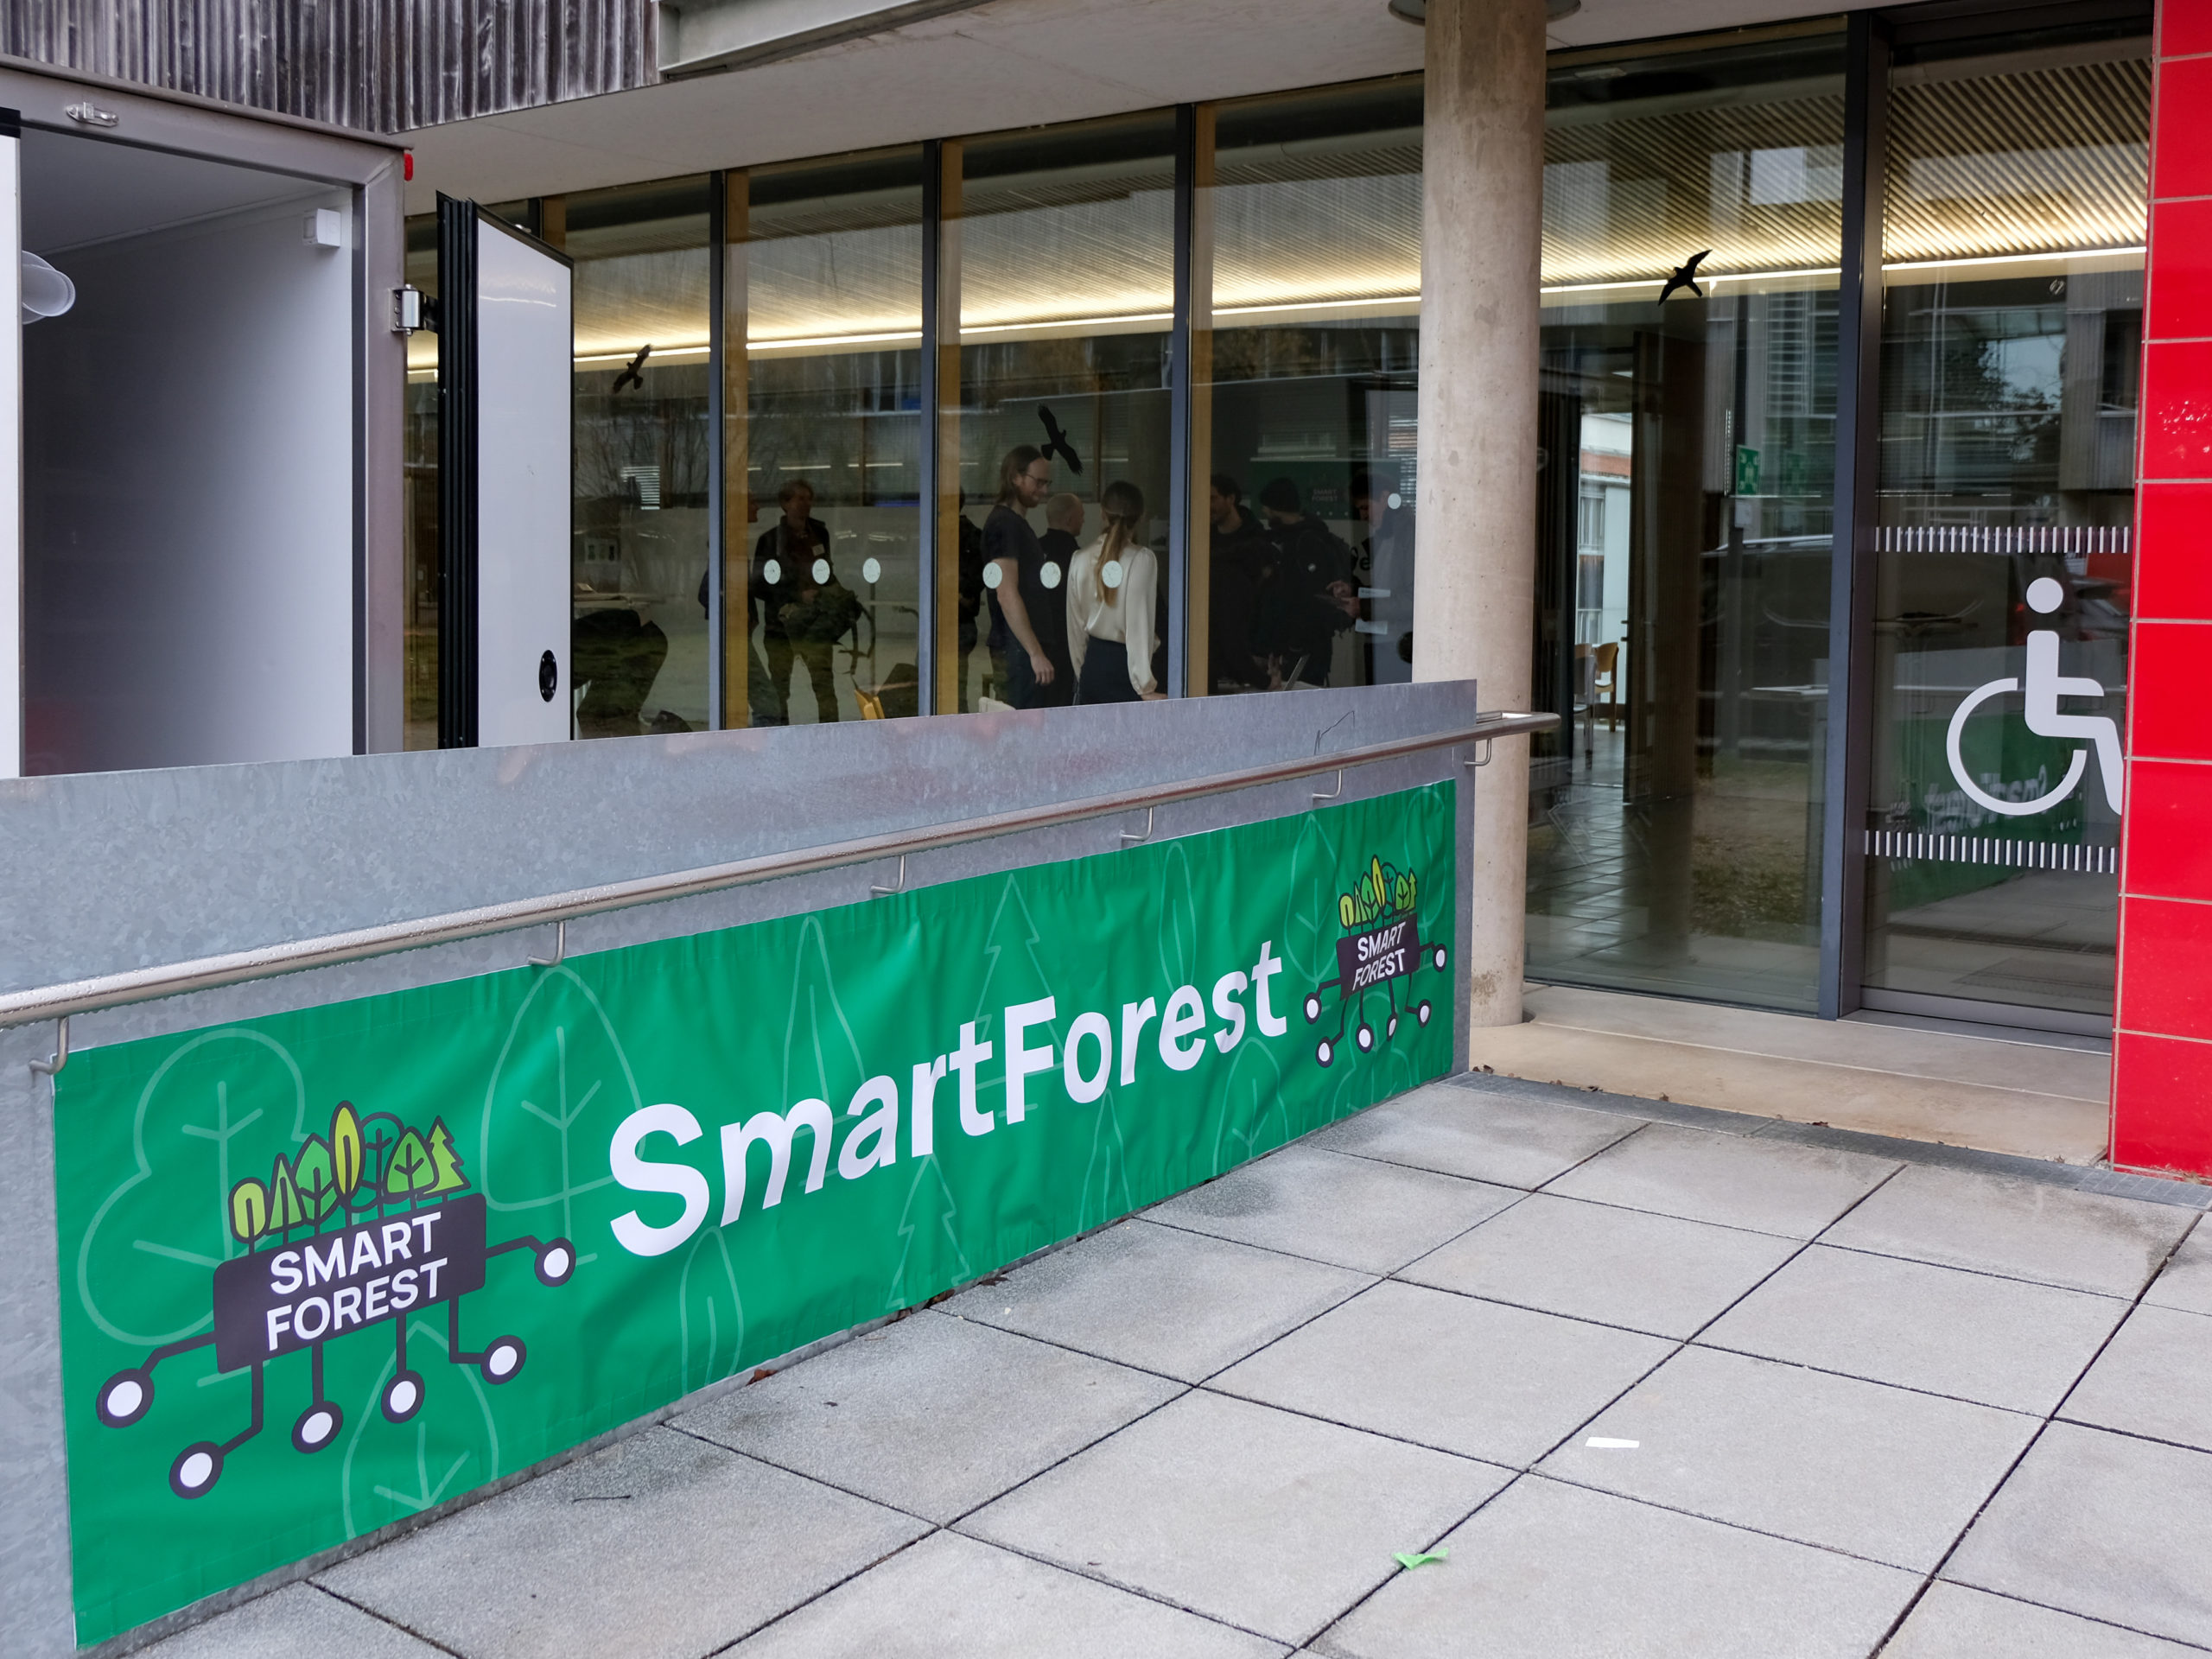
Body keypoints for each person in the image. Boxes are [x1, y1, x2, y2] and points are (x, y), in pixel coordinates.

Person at [752, 479, 852, 722]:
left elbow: (826, 572)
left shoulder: (819, 534)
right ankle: (779, 734)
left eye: (809, 499)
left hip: (815, 625)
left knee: (824, 685)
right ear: (785, 503)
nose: (806, 504)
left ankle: (829, 734)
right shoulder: (770, 540)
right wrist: (797, 595)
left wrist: (836, 596)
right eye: (800, 498)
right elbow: (760, 585)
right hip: (781, 627)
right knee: (780, 687)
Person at [984, 446, 1074, 709]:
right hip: (1018, 650)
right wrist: (1035, 653)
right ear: (1016, 477)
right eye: (1038, 482)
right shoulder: (1004, 524)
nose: (1044, 491)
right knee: (1023, 725)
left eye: (1047, 483)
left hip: (1022, 648)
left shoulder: (1015, 523)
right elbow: (1006, 593)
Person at [1251, 476, 1357, 688]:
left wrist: (1283, 642)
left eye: (1267, 508)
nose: (1265, 513)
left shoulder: (1302, 542)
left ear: (1275, 508)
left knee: (1300, 696)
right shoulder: (1307, 537)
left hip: (1302, 646)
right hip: (1302, 644)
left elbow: (1298, 598)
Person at [1067, 481, 1164, 704]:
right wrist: (1144, 685)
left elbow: (1075, 628)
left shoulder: (1079, 559)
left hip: (1092, 665)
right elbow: (1139, 625)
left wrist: (1083, 672)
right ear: (1141, 516)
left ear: (1102, 514)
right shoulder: (1142, 560)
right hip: (1126, 669)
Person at [1351, 470, 1414, 685]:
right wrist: (1355, 594)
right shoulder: (1384, 537)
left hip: (1399, 648)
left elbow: (1414, 600)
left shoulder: (1409, 535)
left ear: (1385, 498)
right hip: (1382, 643)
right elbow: (1389, 589)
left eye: (1365, 507)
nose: (1363, 516)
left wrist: (1364, 607)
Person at [1207, 474, 1269, 691]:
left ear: (1231, 499)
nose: (1207, 506)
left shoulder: (1258, 541)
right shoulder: (1200, 538)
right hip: (1214, 651)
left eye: (1213, 498)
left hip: (1250, 643)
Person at [1040, 493, 1084, 570]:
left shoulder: (1033, 548)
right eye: (1081, 516)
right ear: (1069, 520)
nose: (1083, 521)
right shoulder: (1075, 556)